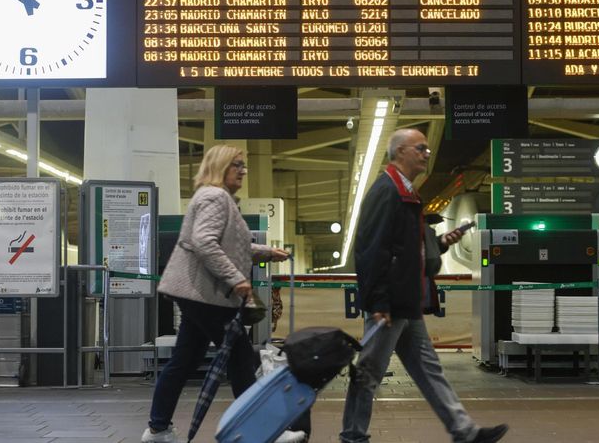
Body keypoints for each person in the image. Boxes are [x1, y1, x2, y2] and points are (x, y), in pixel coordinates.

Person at [340, 129, 509, 443]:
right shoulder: (386, 190)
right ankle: (352, 435)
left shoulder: (406, 192)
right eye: (420, 148)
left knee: (429, 369)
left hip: (406, 301)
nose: (427, 154)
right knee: (368, 371)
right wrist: (378, 302)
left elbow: (409, 248)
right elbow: (371, 249)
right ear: (401, 151)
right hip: (390, 303)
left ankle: (464, 431)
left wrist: (441, 243)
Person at [141, 145, 299, 443]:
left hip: (199, 293)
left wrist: (265, 251)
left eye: (243, 165)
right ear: (220, 166)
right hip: (207, 293)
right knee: (240, 359)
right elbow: (204, 243)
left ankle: (157, 429)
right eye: (236, 165)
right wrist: (236, 278)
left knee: (184, 360)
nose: (243, 170)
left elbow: (225, 244)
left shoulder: (215, 197)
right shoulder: (215, 197)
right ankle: (263, 430)